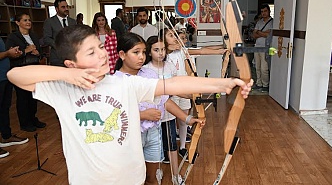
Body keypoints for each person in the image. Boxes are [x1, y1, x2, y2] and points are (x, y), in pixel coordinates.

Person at [7, 24, 252, 185]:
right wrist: (66, 75)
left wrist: (225, 83)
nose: (102, 54)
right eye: (91, 52)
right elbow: (15, 76)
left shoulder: (124, 83)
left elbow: (174, 83)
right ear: (72, 63)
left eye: (101, 47)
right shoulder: (62, 90)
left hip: (132, 179)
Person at [114, 33, 205, 185]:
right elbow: (115, 115)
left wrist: (188, 119)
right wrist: (143, 115)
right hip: (131, 135)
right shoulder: (115, 81)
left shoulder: (148, 74)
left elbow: (165, 101)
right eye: (136, 52)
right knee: (133, 178)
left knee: (152, 178)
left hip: (153, 133)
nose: (141, 57)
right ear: (122, 54)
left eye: (143, 52)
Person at [161, 27, 227, 160]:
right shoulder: (162, 56)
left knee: (184, 119)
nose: (175, 38)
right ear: (163, 40)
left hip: (183, 90)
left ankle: (183, 147)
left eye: (175, 35)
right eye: (170, 35)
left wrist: (222, 51)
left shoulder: (182, 51)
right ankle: (169, 150)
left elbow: (201, 51)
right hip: (170, 93)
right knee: (169, 122)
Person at [144, 35, 191, 184]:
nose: (161, 53)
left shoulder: (170, 66)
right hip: (153, 116)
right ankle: (156, 170)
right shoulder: (145, 69)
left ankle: (175, 175)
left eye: (163, 49)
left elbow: (177, 87)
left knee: (172, 145)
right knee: (155, 146)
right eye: (156, 50)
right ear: (149, 52)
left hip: (169, 114)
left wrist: (192, 93)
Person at [6, 13, 46, 132]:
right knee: (23, 97)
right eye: (25, 20)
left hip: (33, 69)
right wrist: (26, 51)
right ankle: (25, 123)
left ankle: (33, 118)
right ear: (18, 23)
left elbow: (39, 51)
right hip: (20, 70)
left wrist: (38, 53)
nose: (28, 22)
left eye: (29, 20)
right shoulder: (13, 37)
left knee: (33, 96)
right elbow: (10, 54)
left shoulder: (33, 35)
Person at [0, 38, 28, 158]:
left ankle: (6, 136)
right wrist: (7, 53)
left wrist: (11, 53)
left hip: (4, 76)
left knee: (4, 108)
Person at [43, 0, 76, 66]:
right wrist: (59, 46)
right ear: (56, 9)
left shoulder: (72, 21)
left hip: (72, 57)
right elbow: (46, 39)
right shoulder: (50, 22)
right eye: (63, 7)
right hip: (57, 58)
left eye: (67, 7)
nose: (66, 9)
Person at [252, 4, 273, 92]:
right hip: (257, 46)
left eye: (265, 11)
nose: (263, 13)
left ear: (269, 11)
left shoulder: (272, 22)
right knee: (257, 67)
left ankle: (265, 84)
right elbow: (254, 35)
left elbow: (269, 35)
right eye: (262, 11)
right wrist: (263, 33)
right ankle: (258, 83)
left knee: (264, 67)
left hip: (266, 47)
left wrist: (259, 32)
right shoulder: (259, 22)